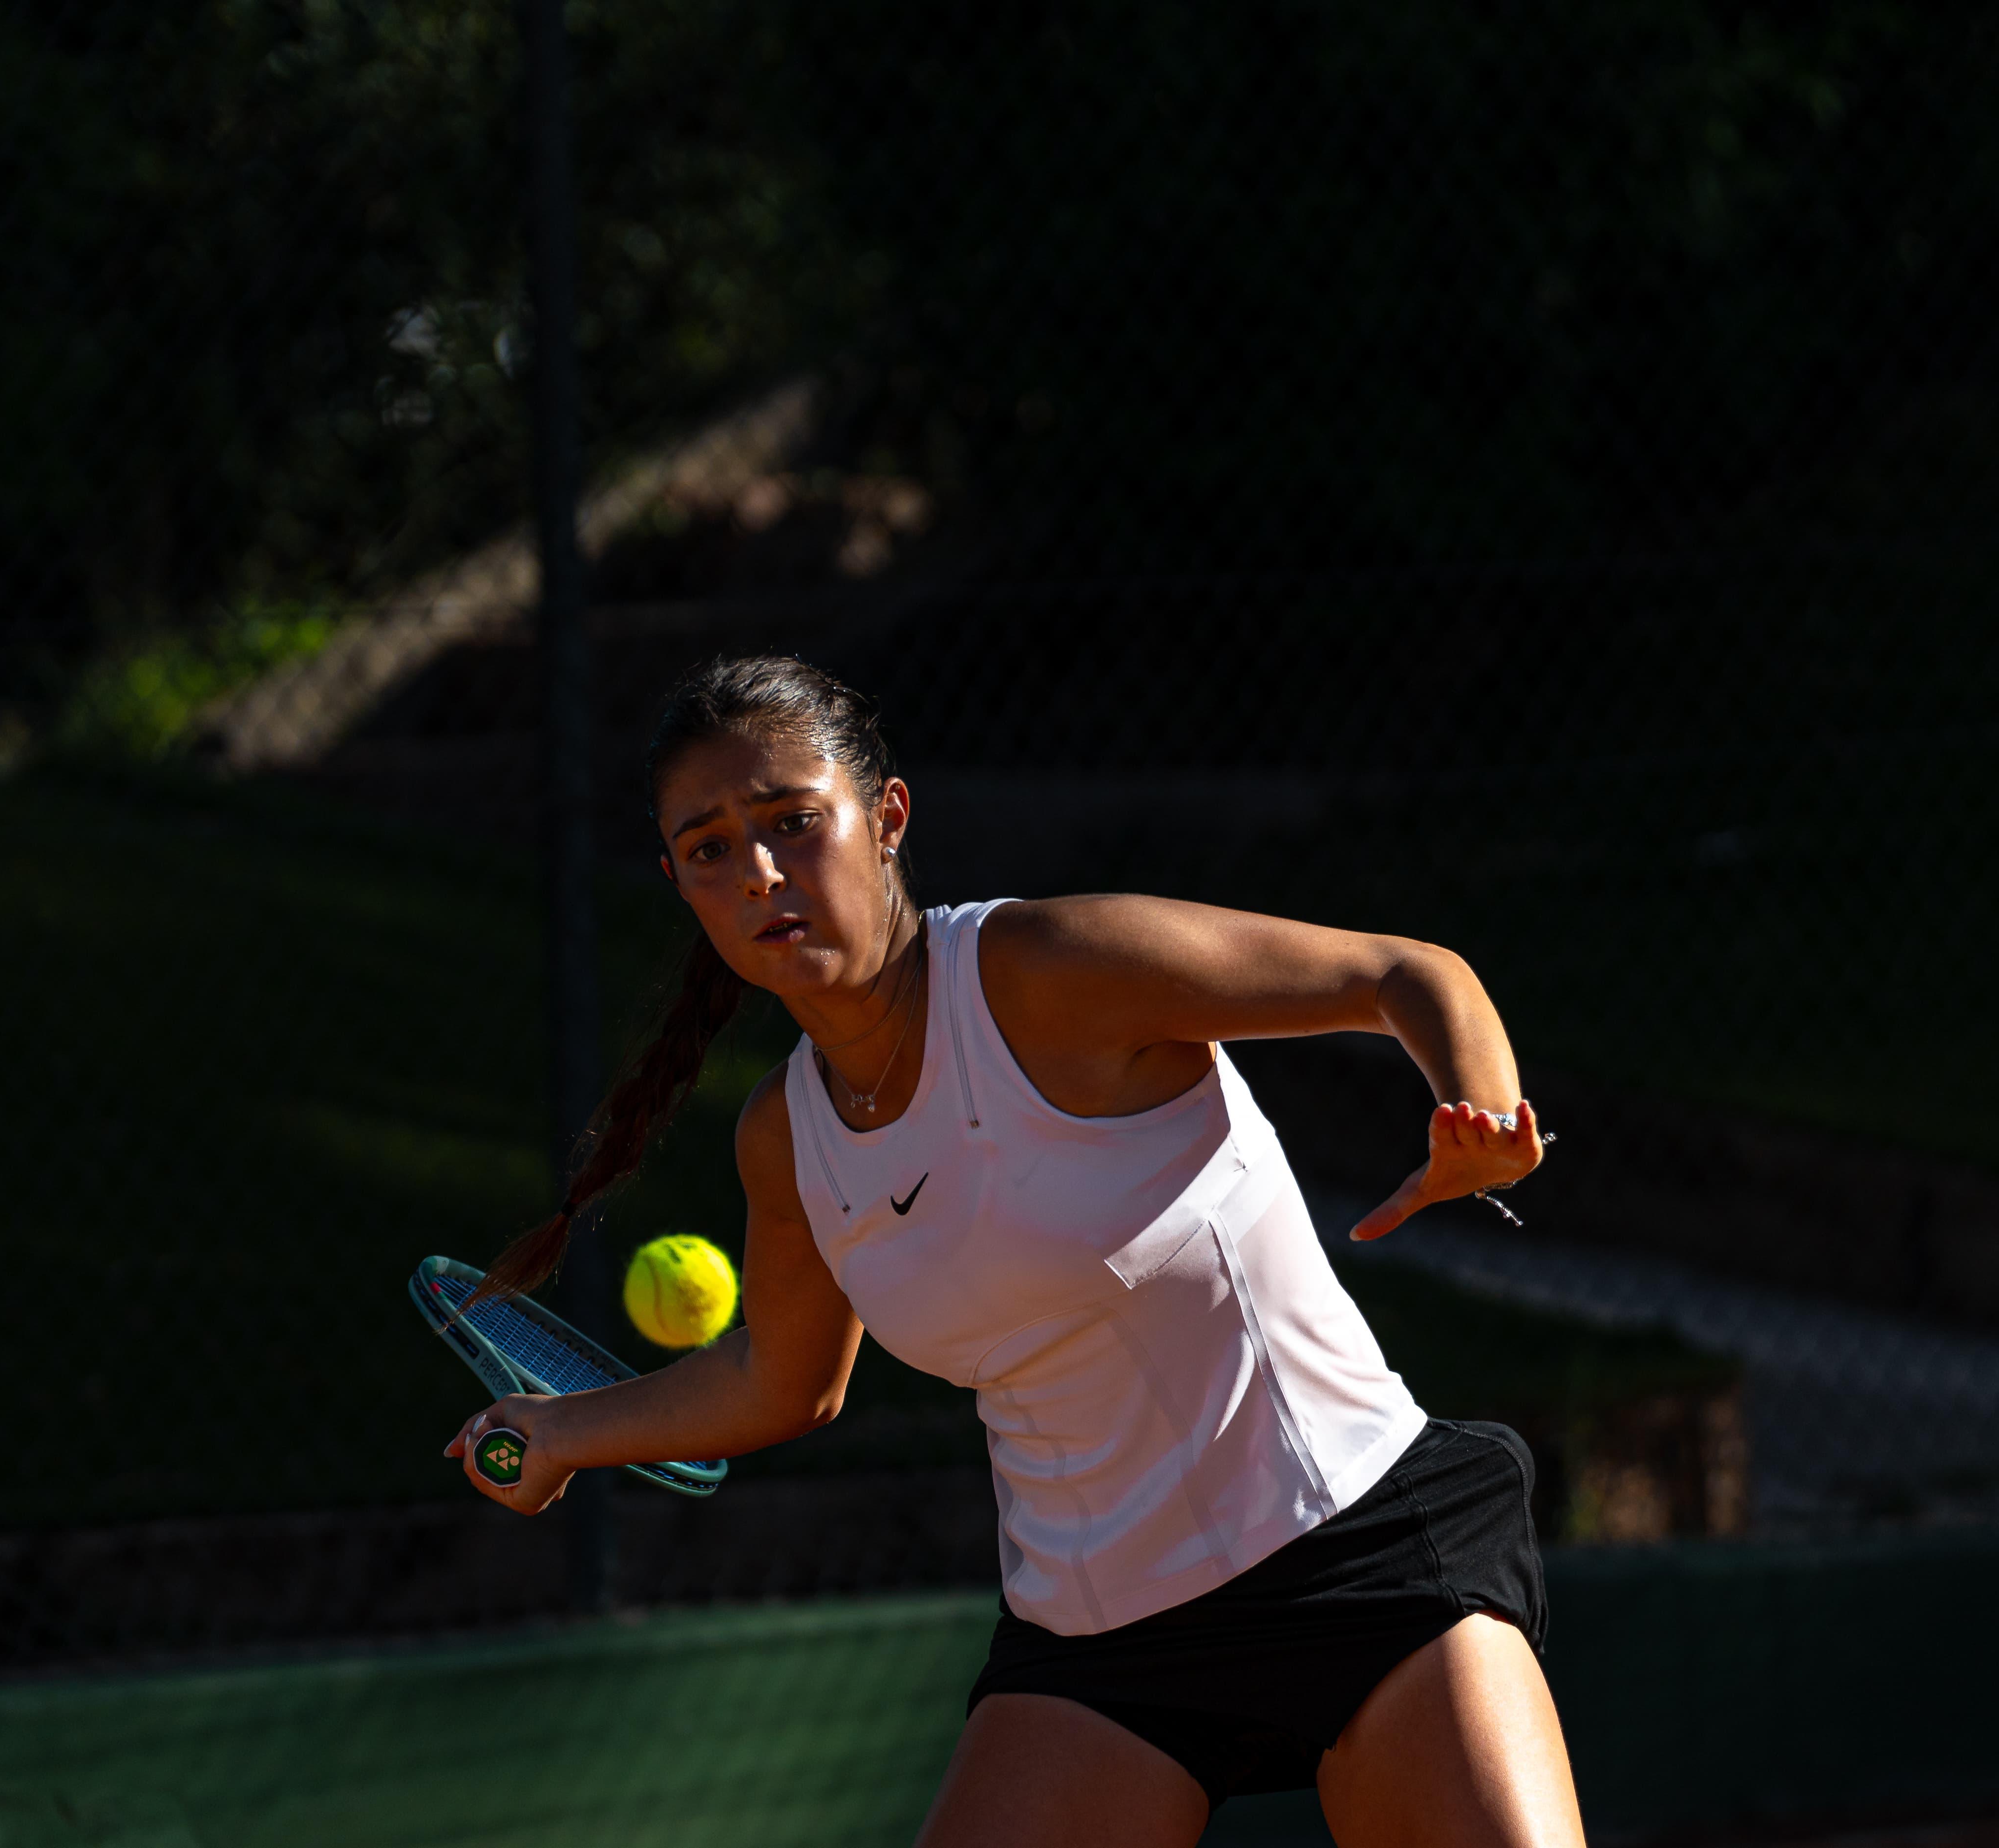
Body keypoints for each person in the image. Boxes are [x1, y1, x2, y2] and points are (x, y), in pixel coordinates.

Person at [448, 655, 1585, 1848]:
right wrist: (566, 1431)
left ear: (885, 817)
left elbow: (1403, 973)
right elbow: (780, 1381)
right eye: (712, 847)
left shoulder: (1048, 973)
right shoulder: (787, 1140)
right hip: (1100, 1646)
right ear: (678, 879)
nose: (763, 872)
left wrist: (1485, 1118)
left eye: (793, 822)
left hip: (1360, 1556)